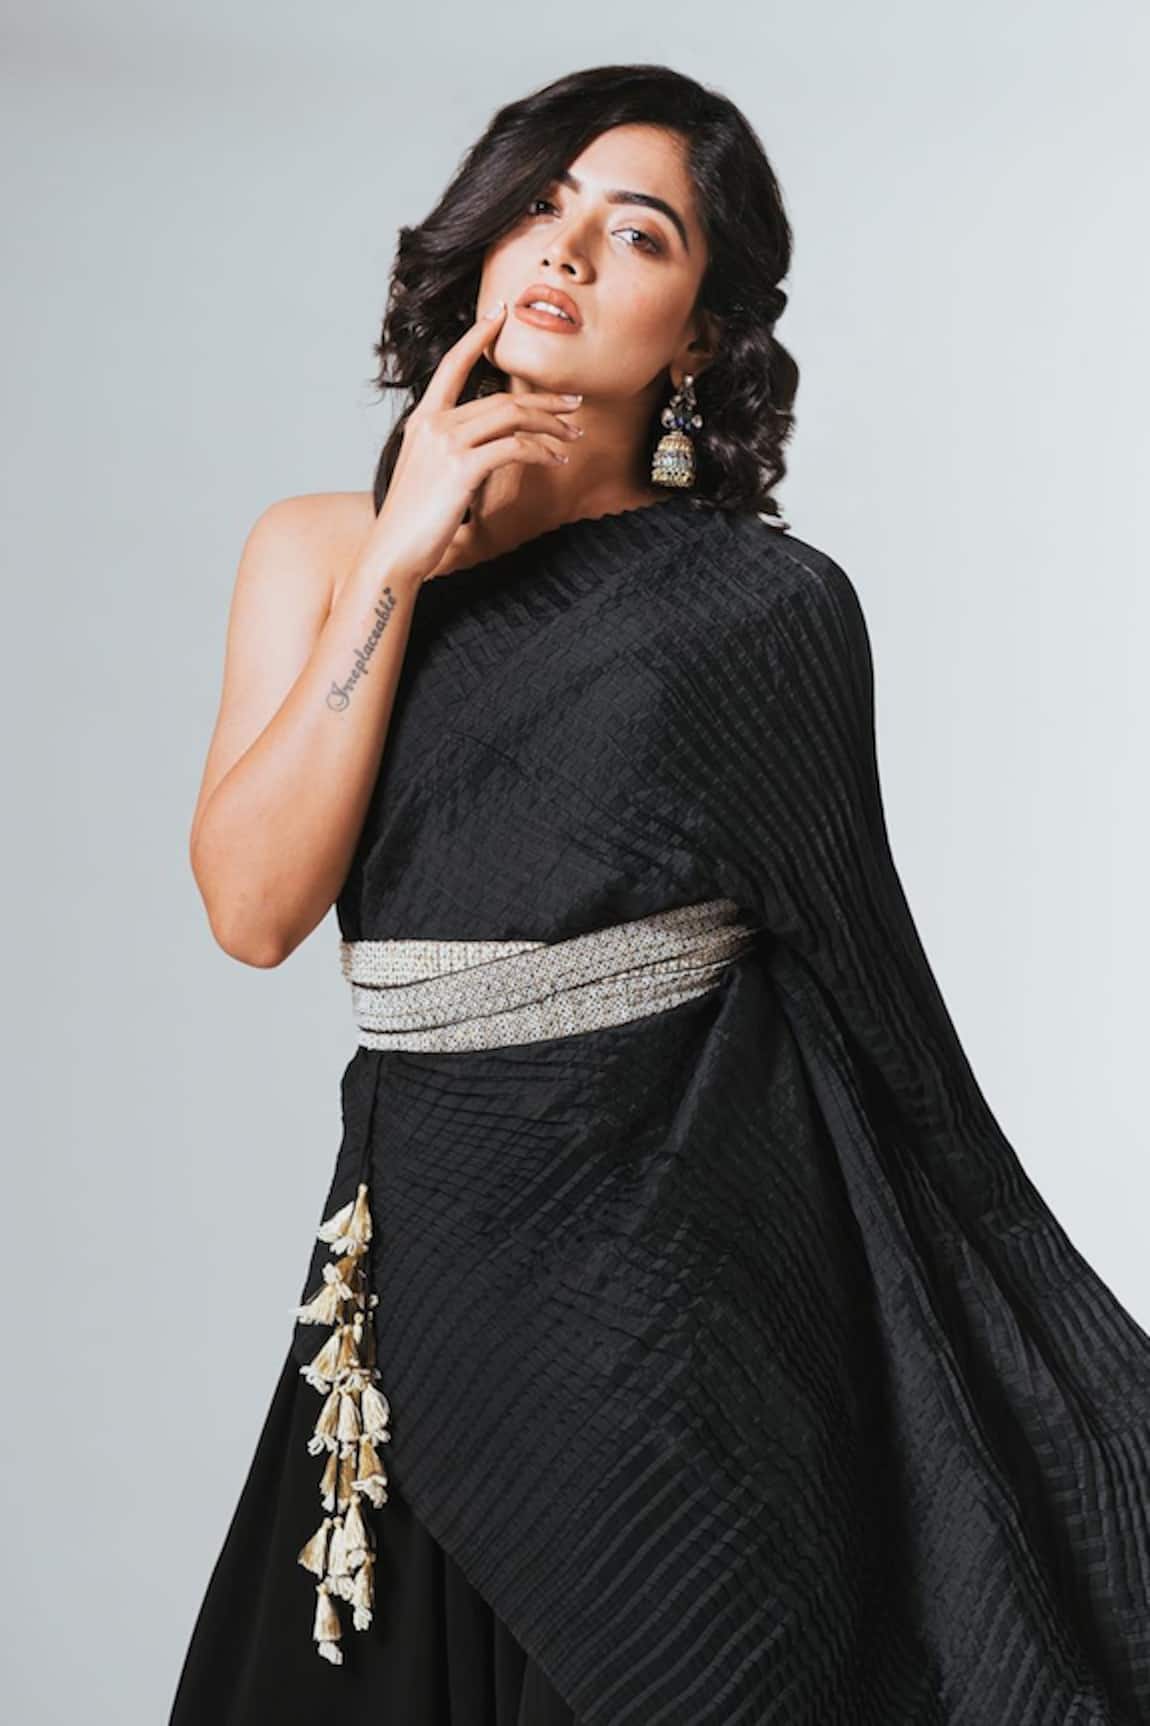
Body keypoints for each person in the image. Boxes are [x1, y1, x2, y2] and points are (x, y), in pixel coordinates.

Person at [167, 62, 1150, 1726]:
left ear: (696, 336)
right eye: (539, 205)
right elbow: (254, 909)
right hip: (429, 1237)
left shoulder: (762, 607)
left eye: (636, 233)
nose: (565, 249)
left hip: (676, 1277)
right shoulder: (321, 547)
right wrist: (398, 561)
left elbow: (864, 1005)